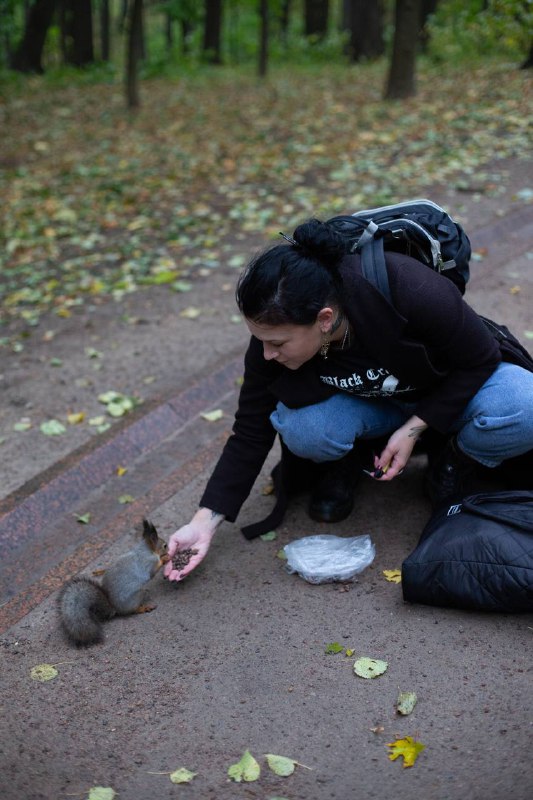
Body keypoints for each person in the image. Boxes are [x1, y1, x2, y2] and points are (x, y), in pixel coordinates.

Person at [164, 219, 533, 582]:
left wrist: (416, 428)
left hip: (445, 393)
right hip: (377, 409)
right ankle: (348, 459)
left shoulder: (407, 286)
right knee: (303, 428)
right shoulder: (275, 328)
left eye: (277, 344)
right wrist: (203, 521)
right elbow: (250, 428)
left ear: (324, 319)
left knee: (524, 403)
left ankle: (453, 459)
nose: (266, 354)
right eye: (261, 340)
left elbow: (481, 358)